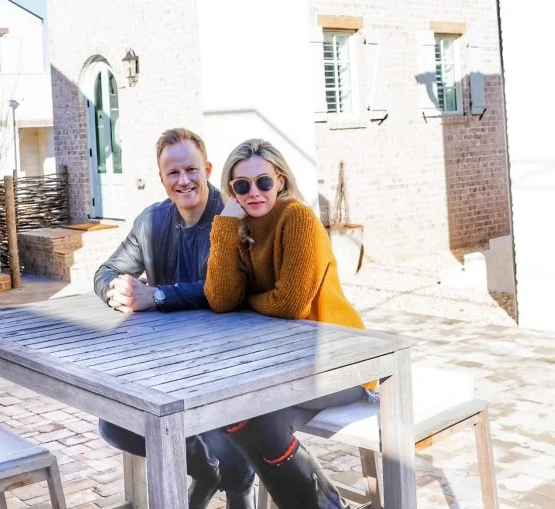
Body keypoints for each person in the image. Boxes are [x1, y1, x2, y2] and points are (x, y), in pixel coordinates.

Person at [205, 138, 374, 509]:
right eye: (242, 185)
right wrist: (224, 227)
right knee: (233, 414)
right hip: (291, 366)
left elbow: (289, 304)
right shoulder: (242, 228)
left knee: (257, 417)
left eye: (263, 181)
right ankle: (330, 504)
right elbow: (220, 299)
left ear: (280, 181)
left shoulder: (296, 218)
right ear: (231, 190)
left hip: (341, 358)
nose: (254, 192)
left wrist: (246, 303)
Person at [93, 127, 255, 509]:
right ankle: (203, 469)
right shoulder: (151, 222)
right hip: (167, 366)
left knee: (231, 442)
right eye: (173, 173)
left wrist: (159, 295)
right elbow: (105, 271)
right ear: (162, 178)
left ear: (208, 169)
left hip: (229, 363)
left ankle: (236, 488)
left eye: (191, 170)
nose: (184, 181)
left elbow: (227, 288)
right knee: (116, 423)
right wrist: (120, 291)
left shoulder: (232, 215)